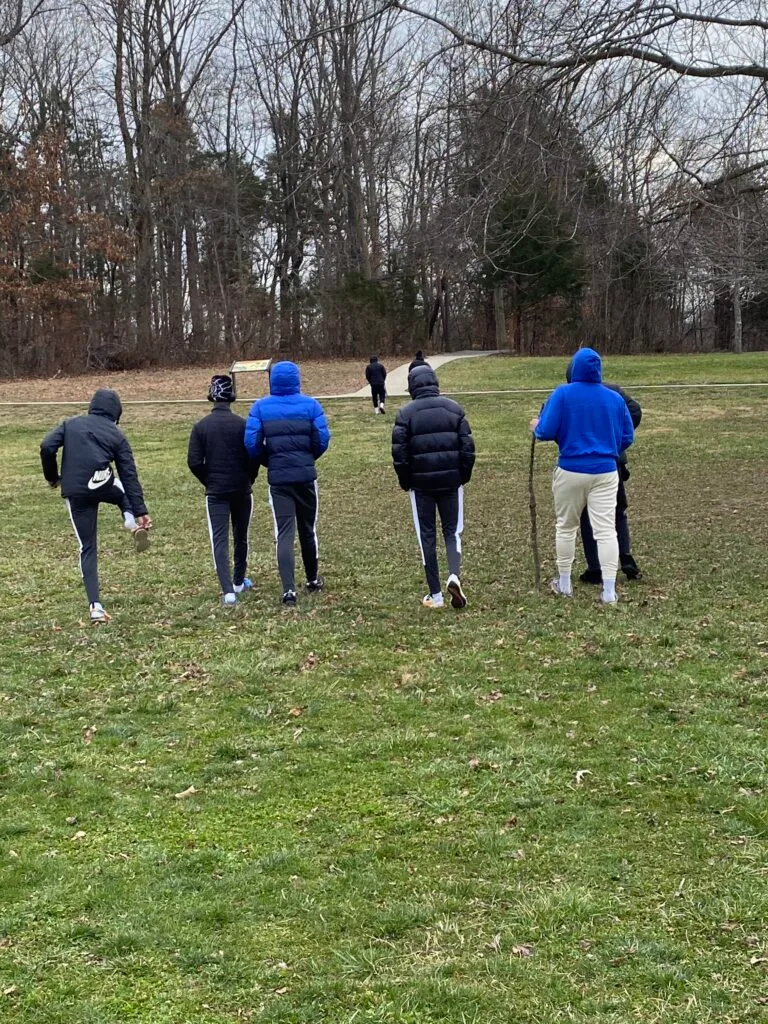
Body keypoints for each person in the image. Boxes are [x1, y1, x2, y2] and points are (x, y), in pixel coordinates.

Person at [531, 347, 634, 606]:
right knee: (606, 530)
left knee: (566, 526)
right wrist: (608, 447)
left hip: (571, 469)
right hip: (606, 471)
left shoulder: (563, 393)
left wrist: (536, 426)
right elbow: (627, 436)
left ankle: (565, 583)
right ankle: (609, 590)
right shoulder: (614, 398)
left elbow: (546, 430)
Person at [40, 388, 151, 624]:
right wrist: (141, 510)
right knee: (120, 489)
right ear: (116, 413)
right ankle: (131, 520)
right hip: (102, 483)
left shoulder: (70, 424)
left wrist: (52, 477)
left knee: (87, 547)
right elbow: (129, 475)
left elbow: (47, 445)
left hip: (75, 492)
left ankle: (96, 607)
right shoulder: (117, 435)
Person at [244, 361, 330, 607]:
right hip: (305, 477)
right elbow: (322, 439)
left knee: (283, 532)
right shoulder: (311, 405)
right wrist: (308, 458)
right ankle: (312, 578)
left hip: (279, 478)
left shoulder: (260, 407)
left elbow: (251, 443)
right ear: (297, 380)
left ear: (272, 381)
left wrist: (269, 460)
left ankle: (289, 589)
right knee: (308, 529)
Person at [392, 364, 475, 609]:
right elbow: (468, 449)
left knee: (426, 535)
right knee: (452, 531)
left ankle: (436, 594)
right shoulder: (454, 409)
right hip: (451, 482)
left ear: (412, 387)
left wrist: (406, 482)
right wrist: (462, 476)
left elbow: (400, 455)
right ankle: (454, 575)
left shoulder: (405, 414)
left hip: (420, 486)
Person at [187, 375, 260, 606]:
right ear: (231, 397)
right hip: (242, 489)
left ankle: (228, 591)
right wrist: (249, 478)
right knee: (241, 537)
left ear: (211, 397)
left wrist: (209, 480)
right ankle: (238, 580)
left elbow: (194, 462)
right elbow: (254, 455)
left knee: (219, 539)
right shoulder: (243, 424)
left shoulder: (201, 427)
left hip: (216, 492)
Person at [574, 367, 643, 584]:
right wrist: (616, 437)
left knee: (588, 516)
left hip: (586, 464)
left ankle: (595, 567)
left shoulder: (571, 396)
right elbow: (635, 411)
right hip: (613, 461)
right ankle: (625, 557)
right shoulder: (613, 391)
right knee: (617, 512)